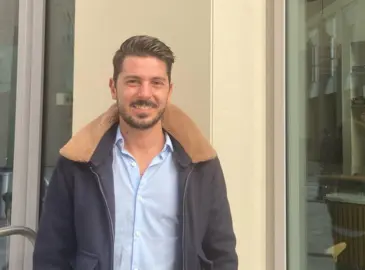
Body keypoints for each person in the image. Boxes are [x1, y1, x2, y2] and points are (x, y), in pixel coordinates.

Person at [33, 35, 238, 270]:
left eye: (156, 83)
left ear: (169, 91)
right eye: (133, 82)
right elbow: (51, 254)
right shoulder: (77, 164)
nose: (145, 93)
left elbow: (222, 254)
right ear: (113, 87)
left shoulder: (202, 166)